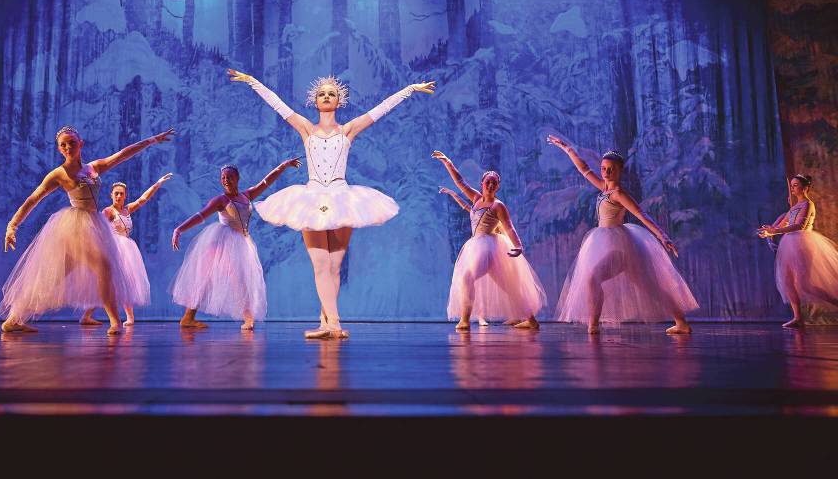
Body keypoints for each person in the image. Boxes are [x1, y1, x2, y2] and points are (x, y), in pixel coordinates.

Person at [230, 69, 434, 339]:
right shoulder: (306, 128)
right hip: (312, 197)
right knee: (320, 265)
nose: (326, 96)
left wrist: (410, 89)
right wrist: (253, 81)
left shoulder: (348, 130)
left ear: (339, 102)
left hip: (342, 197)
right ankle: (334, 323)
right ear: (315, 102)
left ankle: (326, 322)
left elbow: (380, 110)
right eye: (322, 94)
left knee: (334, 267)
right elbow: (278, 104)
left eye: (332, 94)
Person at [0, 126, 173, 335]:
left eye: (71, 142)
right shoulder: (58, 174)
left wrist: (152, 140)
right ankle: (115, 322)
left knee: (53, 279)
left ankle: (13, 319)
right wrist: (12, 225)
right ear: (59, 149)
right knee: (104, 267)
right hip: (74, 227)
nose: (67, 147)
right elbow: (33, 199)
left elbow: (123, 154)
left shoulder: (93, 168)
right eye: (63, 145)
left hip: (93, 223)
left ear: (80, 144)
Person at [547, 135, 697, 334]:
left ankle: (593, 326)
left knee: (593, 278)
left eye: (611, 169)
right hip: (607, 240)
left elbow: (641, 215)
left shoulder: (618, 193)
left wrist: (663, 236)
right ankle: (681, 322)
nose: (606, 172)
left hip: (620, 245)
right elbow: (583, 169)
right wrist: (566, 148)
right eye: (603, 169)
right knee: (648, 285)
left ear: (620, 171)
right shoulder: (603, 188)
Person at [171, 159, 301, 330]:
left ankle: (189, 318)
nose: (226, 180)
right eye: (223, 177)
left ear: (237, 178)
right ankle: (241, 318)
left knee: (237, 280)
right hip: (221, 242)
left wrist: (283, 166)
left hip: (241, 242)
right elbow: (200, 215)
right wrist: (179, 229)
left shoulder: (247, 196)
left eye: (229, 176)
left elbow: (267, 182)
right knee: (215, 279)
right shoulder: (220, 200)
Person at [433, 152, 545, 331]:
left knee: (468, 277)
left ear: (498, 186)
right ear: (482, 184)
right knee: (507, 287)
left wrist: (518, 246)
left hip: (489, 248)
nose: (491, 184)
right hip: (476, 246)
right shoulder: (476, 198)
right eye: (488, 182)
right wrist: (448, 162)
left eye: (494, 182)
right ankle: (531, 320)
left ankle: (465, 320)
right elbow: (460, 182)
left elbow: (509, 227)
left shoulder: (498, 206)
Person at [79, 174, 172, 327]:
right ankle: (87, 315)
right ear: (111, 195)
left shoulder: (127, 210)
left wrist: (157, 184)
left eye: (121, 193)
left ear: (125, 195)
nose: (119, 196)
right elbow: (99, 229)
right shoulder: (108, 211)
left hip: (127, 248)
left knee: (127, 280)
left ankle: (130, 317)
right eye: (116, 193)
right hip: (114, 248)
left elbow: (143, 199)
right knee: (107, 283)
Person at [759, 174, 838, 328]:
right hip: (789, 244)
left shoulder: (808, 204)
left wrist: (775, 230)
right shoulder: (793, 207)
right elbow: (782, 223)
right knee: (788, 281)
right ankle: (797, 317)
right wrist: (769, 231)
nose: (793, 188)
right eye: (792, 185)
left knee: (805, 284)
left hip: (802, 242)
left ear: (805, 187)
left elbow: (799, 225)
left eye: (796, 185)